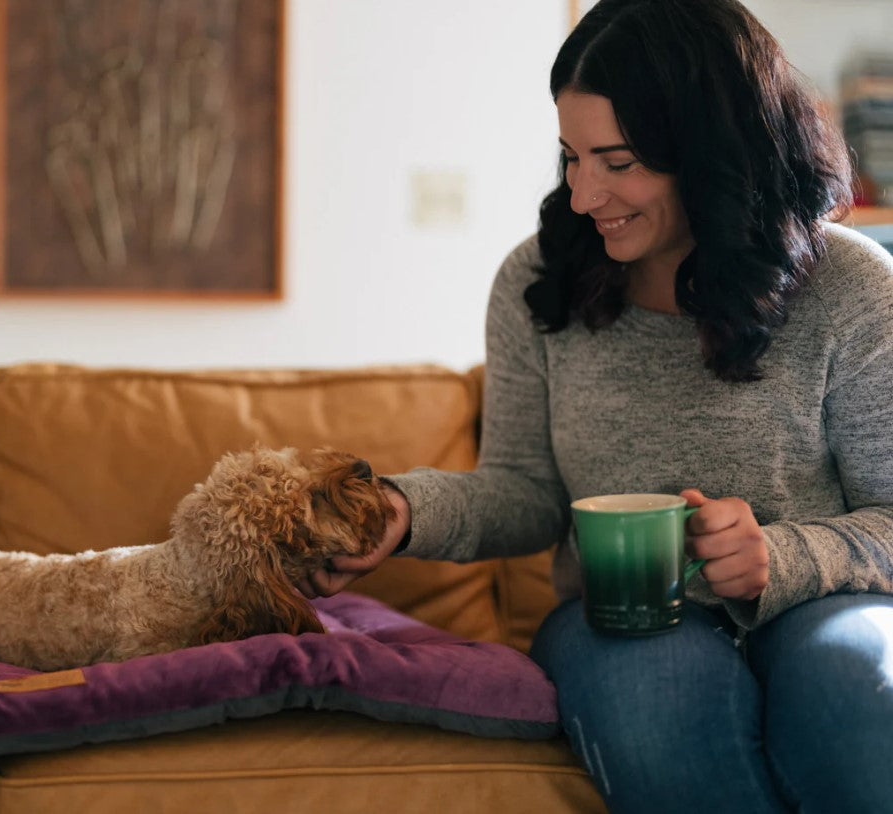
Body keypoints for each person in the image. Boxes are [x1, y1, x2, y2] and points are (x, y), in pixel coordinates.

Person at [296, 0, 893, 811]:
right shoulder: (540, 285)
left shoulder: (850, 288)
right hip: (619, 617)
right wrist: (402, 510)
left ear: (710, 153)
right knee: (662, 709)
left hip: (823, 606)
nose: (583, 195)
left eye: (617, 161)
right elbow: (526, 494)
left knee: (860, 693)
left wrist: (778, 559)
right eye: (571, 157)